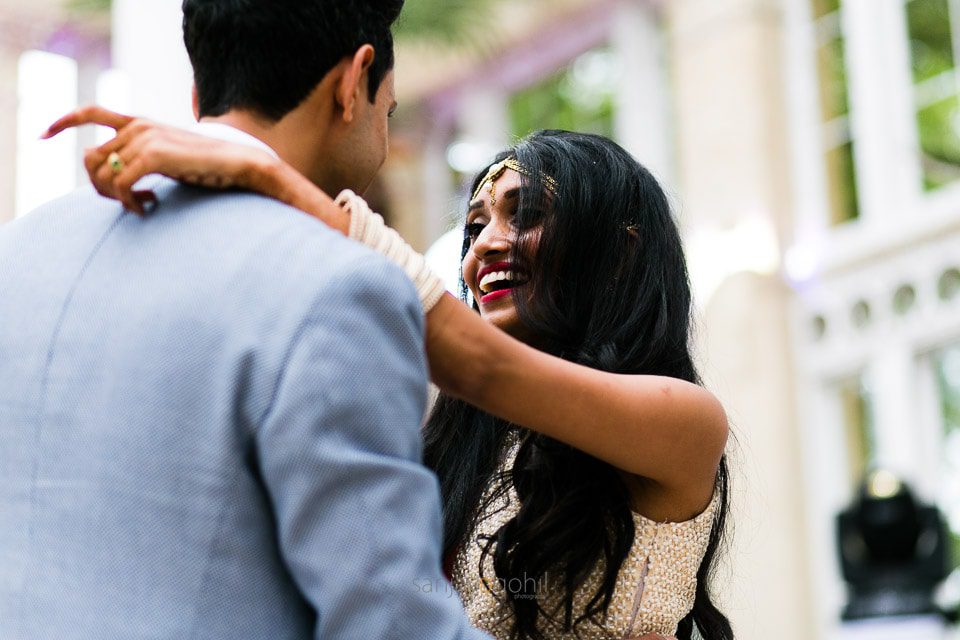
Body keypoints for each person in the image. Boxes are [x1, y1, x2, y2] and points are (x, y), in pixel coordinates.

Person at [48, 106, 733, 638]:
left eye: (523, 216)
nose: (486, 247)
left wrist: (262, 173)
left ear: (618, 253)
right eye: (473, 229)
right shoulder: (464, 433)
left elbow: (481, 365)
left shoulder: (685, 421)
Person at [0, 1, 492, 639]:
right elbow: (388, 623)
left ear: (201, 88)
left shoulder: (19, 248)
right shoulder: (340, 289)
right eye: (388, 111)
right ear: (353, 83)